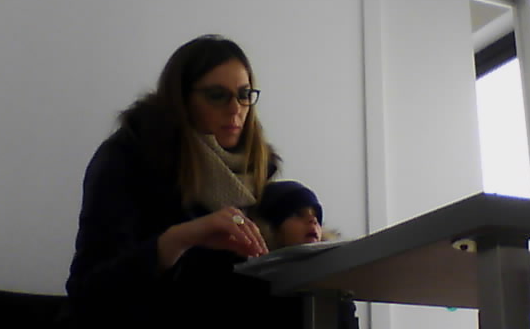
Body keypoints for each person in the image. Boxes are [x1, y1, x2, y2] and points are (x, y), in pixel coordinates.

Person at [62, 35, 304, 327]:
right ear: (182, 100)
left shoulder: (257, 174)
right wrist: (177, 240)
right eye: (217, 95)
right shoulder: (128, 158)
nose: (235, 109)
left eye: (244, 95)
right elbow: (88, 293)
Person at [256, 180, 360, 329]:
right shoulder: (261, 279)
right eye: (298, 214)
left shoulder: (335, 286)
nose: (313, 220)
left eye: (316, 216)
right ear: (273, 229)